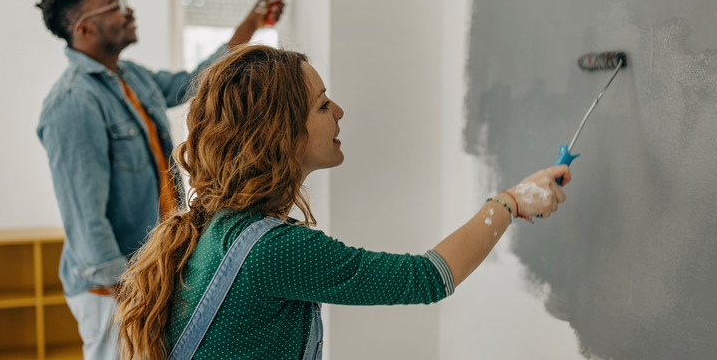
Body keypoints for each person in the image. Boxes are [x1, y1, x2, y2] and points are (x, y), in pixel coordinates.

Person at [115, 45, 572, 360]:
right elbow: (429, 277)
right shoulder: (273, 250)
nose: (339, 112)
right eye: (321, 105)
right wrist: (511, 202)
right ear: (281, 133)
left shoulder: (217, 225)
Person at [35, 0, 284, 360]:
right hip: (111, 287)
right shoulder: (73, 103)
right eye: (114, 6)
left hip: (147, 273)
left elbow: (199, 78)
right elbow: (87, 222)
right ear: (84, 29)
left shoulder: (131, 77)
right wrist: (133, 295)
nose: (128, 11)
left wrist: (251, 23)